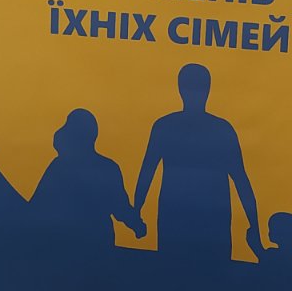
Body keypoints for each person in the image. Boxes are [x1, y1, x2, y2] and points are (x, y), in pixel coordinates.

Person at [133, 64, 260, 263]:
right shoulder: (222, 129)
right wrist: (254, 226)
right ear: (208, 89)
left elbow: (146, 173)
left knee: (175, 272)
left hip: (183, 218)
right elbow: (241, 180)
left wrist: (136, 212)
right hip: (201, 220)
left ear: (180, 89)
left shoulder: (165, 126)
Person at [31, 108, 145, 260]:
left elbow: (37, 204)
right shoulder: (106, 167)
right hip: (87, 239)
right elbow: (120, 207)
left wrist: (136, 224)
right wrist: (137, 225)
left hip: (79, 241)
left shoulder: (59, 167)